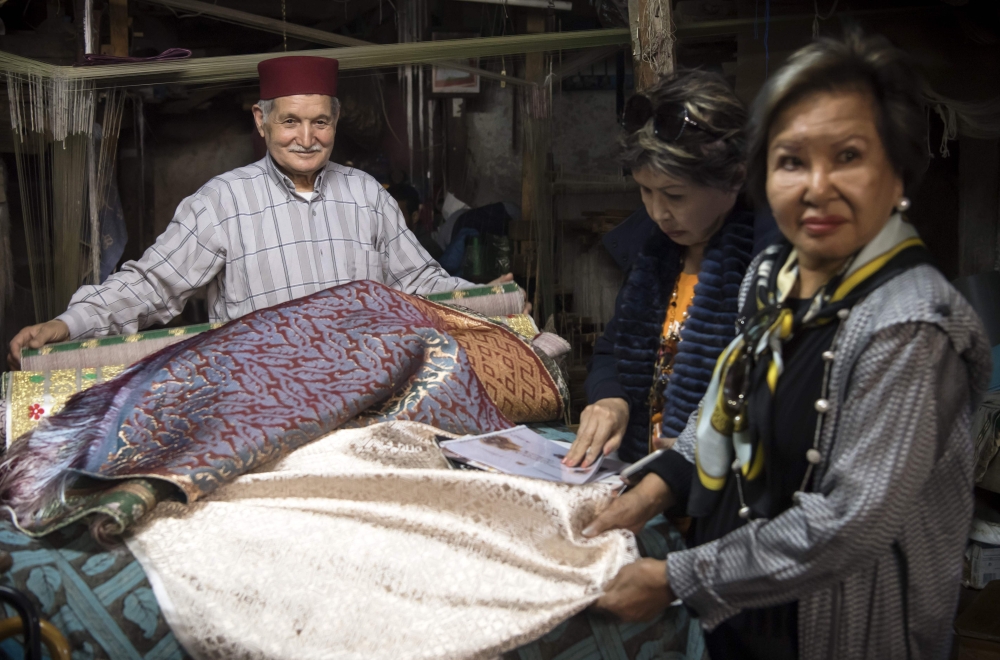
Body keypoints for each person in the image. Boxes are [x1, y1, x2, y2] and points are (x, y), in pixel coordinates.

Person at [583, 32, 990, 660]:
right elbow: (721, 412)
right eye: (792, 160)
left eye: (848, 157)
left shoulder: (913, 329)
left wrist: (677, 579)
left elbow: (849, 522)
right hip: (748, 617)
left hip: (839, 632)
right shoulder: (771, 280)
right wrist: (649, 491)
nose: (815, 187)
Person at [8, 56, 506, 369]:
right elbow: (152, 284)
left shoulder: (367, 195)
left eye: (320, 123)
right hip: (259, 394)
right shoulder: (222, 201)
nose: (306, 139)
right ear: (261, 121)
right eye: (290, 121)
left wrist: (493, 303)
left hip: (364, 386)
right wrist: (69, 324)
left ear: (334, 122)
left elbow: (420, 281)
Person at [564, 70, 756, 466]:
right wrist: (611, 398)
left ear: (735, 178)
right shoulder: (653, 259)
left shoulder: (764, 273)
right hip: (642, 477)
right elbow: (611, 352)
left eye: (674, 195)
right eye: (645, 190)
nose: (657, 212)